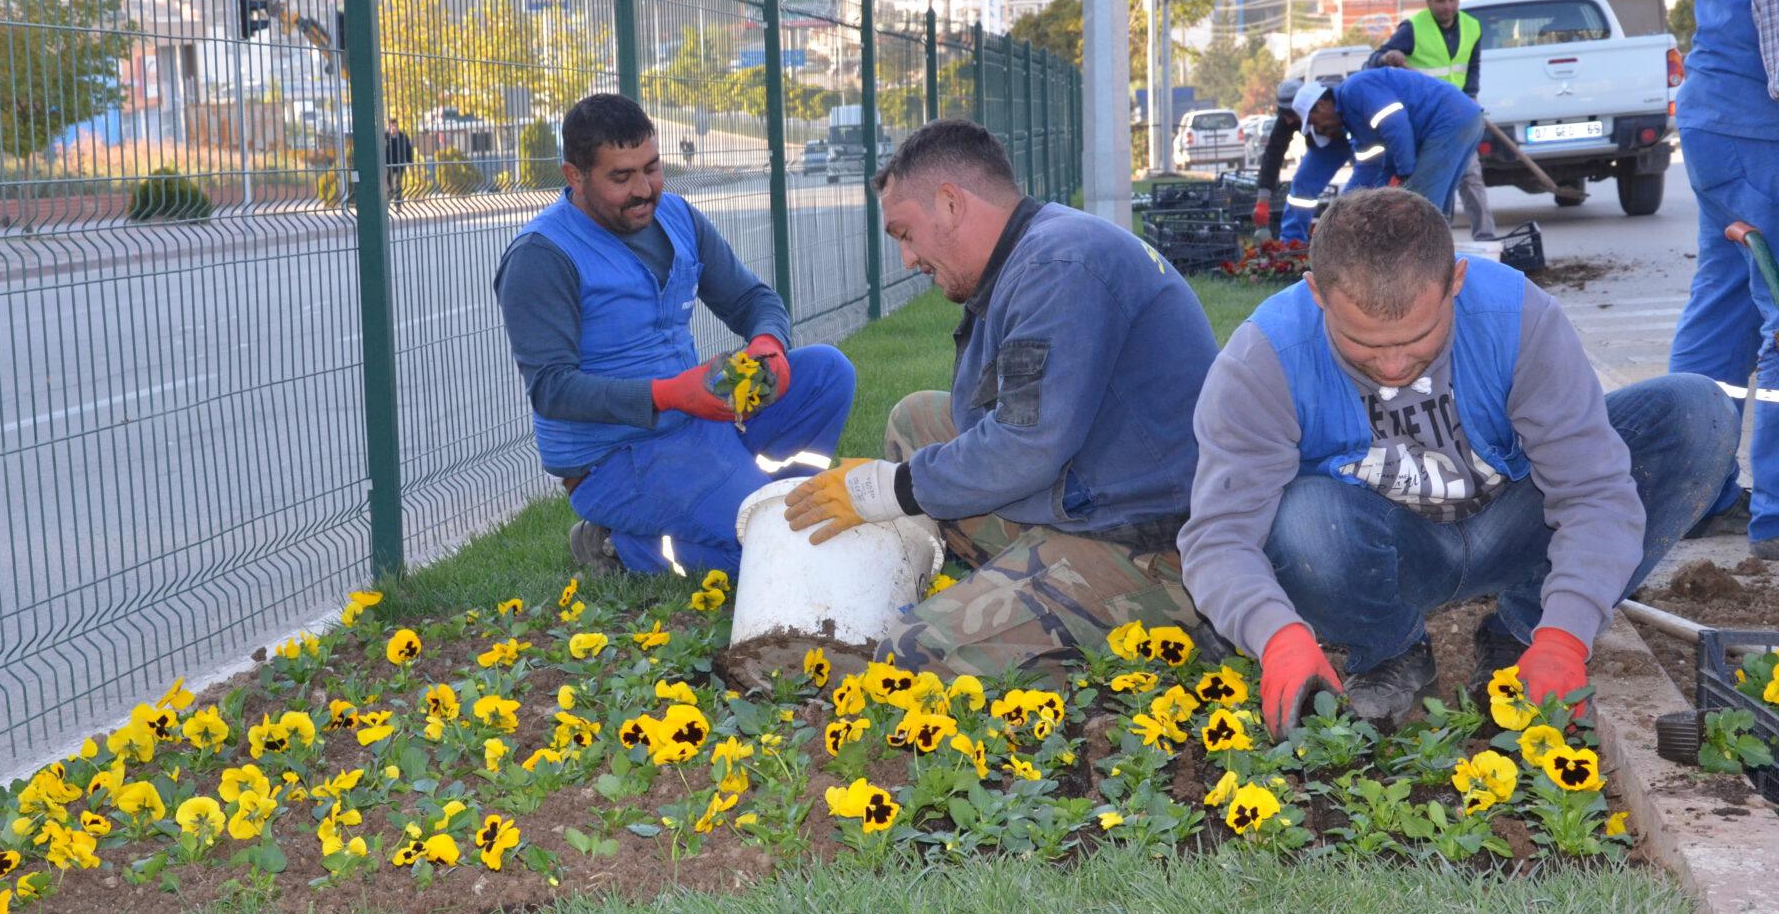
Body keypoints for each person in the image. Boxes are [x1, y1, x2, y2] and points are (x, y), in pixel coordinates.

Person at [1179, 188, 1740, 737]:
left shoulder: (1518, 318)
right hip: (1378, 555)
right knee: (1305, 518)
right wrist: (1277, 638)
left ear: (1457, 282)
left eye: (1421, 337)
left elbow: (1595, 492)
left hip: (1517, 525)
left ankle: (1522, 637)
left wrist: (1565, 637)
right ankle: (1391, 652)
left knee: (1696, 412)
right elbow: (1219, 536)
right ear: (1317, 294)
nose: (1395, 364)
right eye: (1365, 345)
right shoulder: (1265, 358)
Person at [780, 118, 1220, 682]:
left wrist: (883, 490)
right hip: (1090, 488)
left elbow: (1027, 445)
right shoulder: (1036, 250)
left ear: (949, 204)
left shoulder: (1058, 267)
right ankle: (1026, 585)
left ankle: (1163, 620)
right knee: (915, 420)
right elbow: (996, 421)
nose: (907, 260)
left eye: (904, 234)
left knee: (911, 655)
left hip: (1153, 547)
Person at [494, 93, 856, 579]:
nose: (644, 189)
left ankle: (774, 501)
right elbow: (552, 390)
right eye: (621, 177)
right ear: (574, 176)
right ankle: (619, 548)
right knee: (772, 553)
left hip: (698, 426)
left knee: (829, 372)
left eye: (652, 167)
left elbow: (753, 300)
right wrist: (669, 395)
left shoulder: (678, 216)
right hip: (616, 460)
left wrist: (769, 343)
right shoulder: (541, 256)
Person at [1668, 0, 1779, 558]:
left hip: (1731, 124)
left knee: (1727, 312)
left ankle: (1687, 492)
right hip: (1754, 125)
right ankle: (1776, 512)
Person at [1365, 0, 1496, 242]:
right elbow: (1373, 61)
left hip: (1458, 117)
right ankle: (1437, 245)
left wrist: (1471, 95)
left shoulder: (1472, 27)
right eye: (1440, 0)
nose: (1447, 6)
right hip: (1423, 122)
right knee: (1437, 183)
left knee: (1470, 177)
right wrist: (1387, 57)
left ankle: (1487, 241)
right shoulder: (1413, 28)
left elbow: (1472, 68)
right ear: (1429, 1)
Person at [1287, 66, 1483, 228]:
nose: (1320, 128)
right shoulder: (1355, 123)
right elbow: (1369, 167)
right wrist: (1344, 210)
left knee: (1419, 208)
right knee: (1434, 207)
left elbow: (1396, 124)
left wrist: (1405, 171)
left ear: (1321, 104)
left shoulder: (1355, 89)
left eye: (1314, 121)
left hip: (1449, 119)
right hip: (1463, 118)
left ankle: (1425, 268)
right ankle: (1441, 262)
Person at [1248, 78, 1302, 236]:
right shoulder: (1287, 120)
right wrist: (1262, 200)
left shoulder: (1323, 110)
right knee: (1302, 186)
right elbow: (1273, 154)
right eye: (1284, 114)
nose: (1288, 120)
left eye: (1291, 114)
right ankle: (1293, 242)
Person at [383, 117, 413, 201]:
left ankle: (398, 203)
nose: (393, 128)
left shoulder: (403, 136)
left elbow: (408, 149)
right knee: (389, 182)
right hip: (389, 164)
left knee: (398, 183)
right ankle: (390, 194)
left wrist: (410, 163)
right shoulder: (385, 136)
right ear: (389, 126)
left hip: (400, 163)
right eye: (392, 126)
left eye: (395, 126)